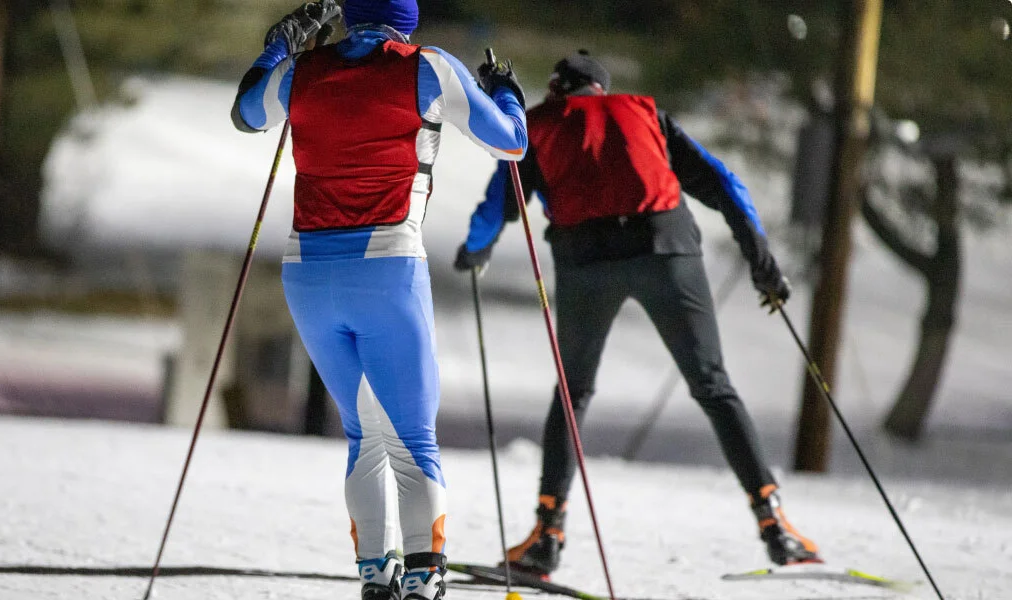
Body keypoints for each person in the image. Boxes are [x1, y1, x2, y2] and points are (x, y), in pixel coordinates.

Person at [454, 50, 821, 577]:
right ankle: (774, 523)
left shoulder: (539, 124)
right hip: (666, 248)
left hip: (586, 260)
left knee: (573, 393)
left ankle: (547, 535)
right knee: (713, 385)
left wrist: (475, 250)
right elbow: (723, 184)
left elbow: (500, 203)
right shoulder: (646, 114)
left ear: (557, 88)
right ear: (602, 90)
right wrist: (761, 261)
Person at [232, 2, 528, 599]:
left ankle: (375, 574)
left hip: (308, 272)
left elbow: (246, 113)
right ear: (407, 18)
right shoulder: (428, 66)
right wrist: (506, 90)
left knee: (364, 434)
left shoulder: (304, 69)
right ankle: (423, 577)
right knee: (413, 439)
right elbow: (512, 144)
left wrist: (281, 44)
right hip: (387, 267)